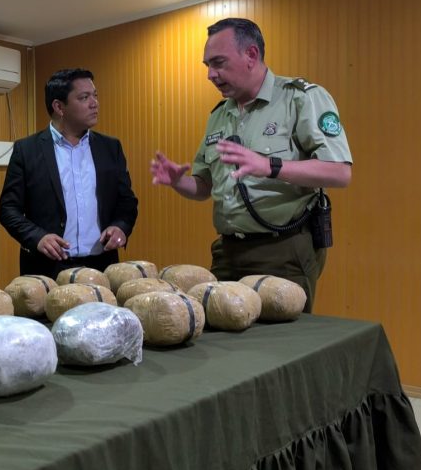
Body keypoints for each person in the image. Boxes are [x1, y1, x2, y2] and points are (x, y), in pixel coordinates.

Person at [150, 17, 352, 312]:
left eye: (218, 63)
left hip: (283, 251)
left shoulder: (299, 98)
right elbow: (205, 187)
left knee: (280, 349)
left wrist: (269, 165)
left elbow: (340, 172)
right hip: (228, 251)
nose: (210, 74)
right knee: (223, 346)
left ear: (251, 55)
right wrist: (179, 182)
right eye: (206, 65)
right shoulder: (219, 115)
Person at [0, 68, 138, 279]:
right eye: (84, 97)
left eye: (95, 95)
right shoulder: (27, 150)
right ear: (59, 107)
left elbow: (127, 202)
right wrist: (38, 237)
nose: (94, 103)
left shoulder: (111, 148)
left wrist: (120, 227)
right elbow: (8, 210)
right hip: (47, 270)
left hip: (101, 268)